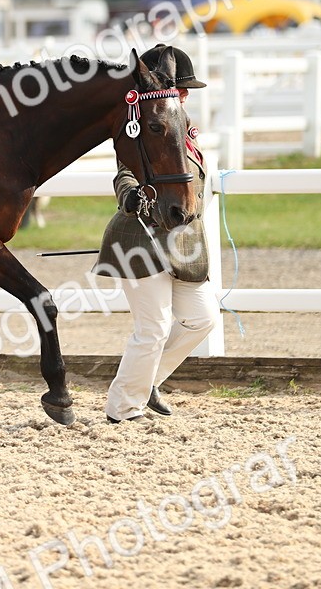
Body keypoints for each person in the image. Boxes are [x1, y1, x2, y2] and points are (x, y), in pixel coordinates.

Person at [96, 45, 215, 424]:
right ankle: (123, 409)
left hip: (181, 245)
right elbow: (125, 172)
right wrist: (130, 195)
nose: (184, 95)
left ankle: (145, 382)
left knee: (203, 319)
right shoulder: (146, 131)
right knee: (154, 327)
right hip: (138, 239)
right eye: (181, 89)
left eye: (185, 91)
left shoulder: (182, 130)